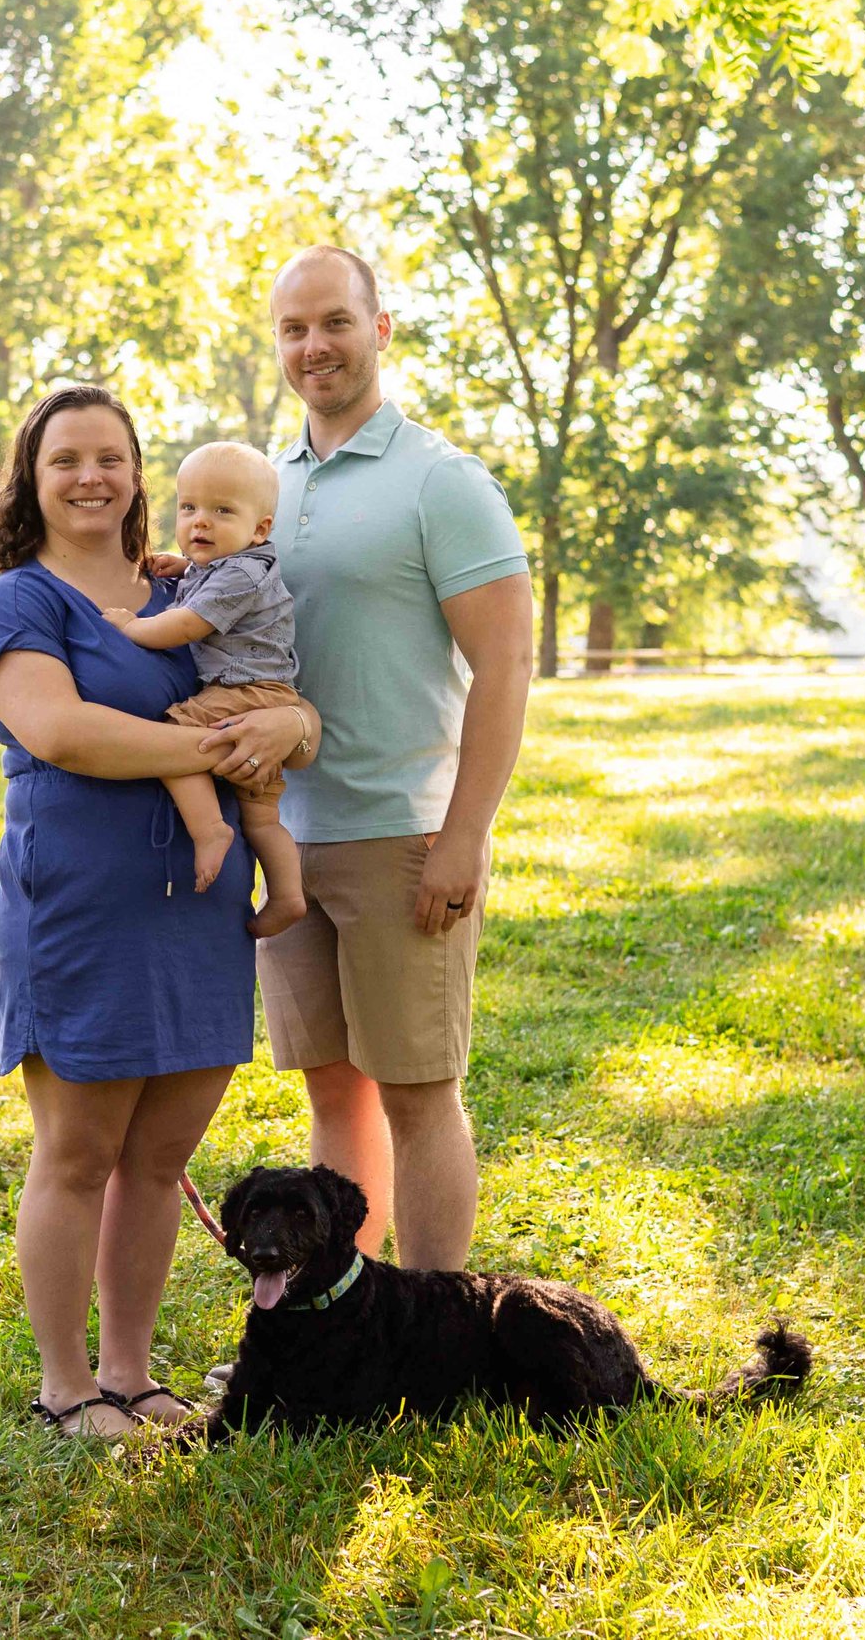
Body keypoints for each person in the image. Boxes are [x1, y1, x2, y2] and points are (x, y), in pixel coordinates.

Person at [0, 384, 319, 1439]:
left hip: (201, 906)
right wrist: (228, 746)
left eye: (110, 456)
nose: (90, 475)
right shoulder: (15, 602)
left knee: (158, 1159)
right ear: (30, 477)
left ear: (136, 475)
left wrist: (289, 720)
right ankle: (67, 1386)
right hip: (84, 902)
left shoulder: (189, 582)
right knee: (76, 1154)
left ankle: (131, 1371)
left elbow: (283, 697)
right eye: (65, 457)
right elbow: (65, 731)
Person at [254, 245, 533, 1275]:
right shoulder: (264, 486)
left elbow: (505, 662)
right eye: (293, 329)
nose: (313, 345)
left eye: (333, 321)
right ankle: (352, 1309)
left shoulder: (441, 481)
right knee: (333, 1090)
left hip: (404, 835)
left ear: (381, 327)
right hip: (287, 840)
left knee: (418, 1092)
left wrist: (464, 833)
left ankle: (434, 1323)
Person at [101, 441, 313, 939]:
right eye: (189, 507)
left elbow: (189, 624)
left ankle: (209, 828)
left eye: (222, 511)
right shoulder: (227, 564)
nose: (201, 522)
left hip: (245, 692)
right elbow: (204, 581)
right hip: (265, 695)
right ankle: (287, 895)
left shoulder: (241, 572)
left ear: (260, 528)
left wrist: (133, 627)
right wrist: (183, 566)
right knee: (262, 818)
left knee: (177, 734)